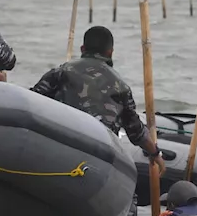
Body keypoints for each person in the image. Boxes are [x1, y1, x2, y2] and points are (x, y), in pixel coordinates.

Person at [31, 25, 165, 176]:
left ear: (82, 49)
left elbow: (33, 103)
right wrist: (155, 153)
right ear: (110, 52)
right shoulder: (121, 86)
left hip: (61, 148)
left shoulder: (61, 72)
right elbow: (136, 132)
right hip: (100, 160)